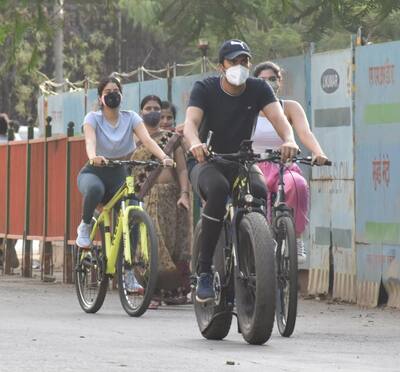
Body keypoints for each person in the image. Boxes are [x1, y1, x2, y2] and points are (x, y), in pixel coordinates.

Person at [183, 39, 299, 302]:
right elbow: (190, 123)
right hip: (206, 160)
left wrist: (289, 140)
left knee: (258, 189)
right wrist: (195, 144)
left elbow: (280, 119)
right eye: (234, 61)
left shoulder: (258, 88)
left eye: (244, 61)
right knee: (218, 189)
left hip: (241, 160)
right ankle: (203, 272)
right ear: (220, 66)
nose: (240, 66)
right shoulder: (205, 88)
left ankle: (253, 251)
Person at [76, 77, 174, 249]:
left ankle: (129, 270)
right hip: (95, 172)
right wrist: (93, 157)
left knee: (133, 210)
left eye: (116, 91)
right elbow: (90, 141)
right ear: (100, 98)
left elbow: (148, 141)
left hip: (120, 174)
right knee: (94, 189)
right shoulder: (92, 118)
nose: (112, 95)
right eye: (107, 92)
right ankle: (85, 226)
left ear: (121, 95)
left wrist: (163, 157)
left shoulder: (131, 118)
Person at [251, 61, 329, 264]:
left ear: (280, 82)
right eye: (262, 80)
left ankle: (296, 239)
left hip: (283, 165)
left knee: (298, 184)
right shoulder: (247, 108)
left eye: (272, 79)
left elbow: (305, 133)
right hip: (253, 167)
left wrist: (318, 152)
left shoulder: (290, 107)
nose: (268, 83)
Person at [132, 95, 192, 308]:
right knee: (152, 243)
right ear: (140, 113)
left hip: (174, 197)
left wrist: (184, 193)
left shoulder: (171, 138)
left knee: (175, 245)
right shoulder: (134, 139)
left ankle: (174, 291)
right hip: (149, 198)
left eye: (156, 108)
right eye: (148, 108)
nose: (153, 111)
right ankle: (153, 292)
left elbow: (182, 168)